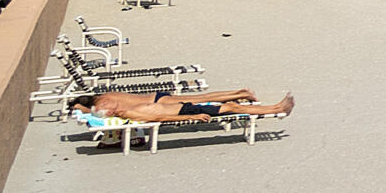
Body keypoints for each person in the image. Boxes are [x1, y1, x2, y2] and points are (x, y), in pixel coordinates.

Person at [67, 87, 295, 123]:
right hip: (158, 101)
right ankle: (242, 94)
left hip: (159, 104)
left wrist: (86, 113)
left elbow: (105, 112)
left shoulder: (104, 104)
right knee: (217, 101)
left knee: (217, 102)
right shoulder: (106, 96)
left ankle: (244, 94)